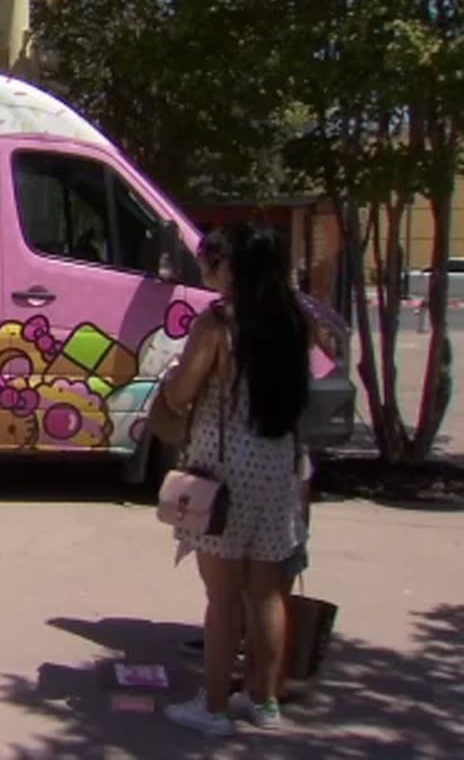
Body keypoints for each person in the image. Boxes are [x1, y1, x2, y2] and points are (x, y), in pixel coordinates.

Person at [160, 224, 311, 736]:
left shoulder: (220, 324)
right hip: (279, 467)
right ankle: (264, 702)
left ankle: (216, 708)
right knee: (267, 595)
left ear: (236, 268)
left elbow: (182, 393)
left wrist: (172, 381)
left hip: (225, 474)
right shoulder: (294, 320)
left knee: (222, 598)